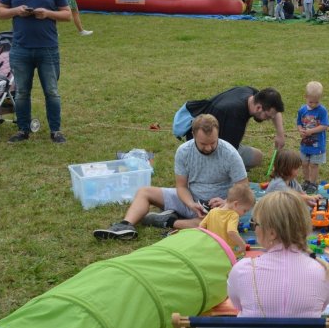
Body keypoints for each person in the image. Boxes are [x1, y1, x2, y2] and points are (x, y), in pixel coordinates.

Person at [226, 190, 329, 328]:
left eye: (255, 224)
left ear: (272, 232)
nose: (253, 228)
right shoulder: (322, 271)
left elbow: (236, 304)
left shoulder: (242, 269)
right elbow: (321, 307)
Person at [93, 114, 248, 240]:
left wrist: (226, 202)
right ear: (193, 135)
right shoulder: (184, 151)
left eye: (213, 143)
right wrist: (190, 203)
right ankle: (125, 226)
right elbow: (181, 186)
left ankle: (168, 221)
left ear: (218, 134)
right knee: (144, 192)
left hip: (218, 207)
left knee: (211, 225)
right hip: (191, 199)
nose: (208, 148)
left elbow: (243, 187)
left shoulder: (229, 153)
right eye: (203, 144)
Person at [0, 0, 72, 144]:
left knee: (52, 92)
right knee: (21, 92)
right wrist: (16, 11)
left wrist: (47, 13)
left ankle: (56, 131)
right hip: (21, 49)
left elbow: (67, 15)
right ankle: (23, 130)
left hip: (48, 49)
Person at [179, 86, 285, 171]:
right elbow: (227, 154)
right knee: (257, 157)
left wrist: (280, 135)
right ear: (258, 108)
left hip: (215, 135)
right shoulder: (233, 117)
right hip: (203, 147)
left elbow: (275, 112)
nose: (269, 119)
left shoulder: (251, 94)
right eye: (267, 116)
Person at [199, 182, 254, 256]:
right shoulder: (233, 215)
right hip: (229, 252)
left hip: (213, 249)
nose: (244, 214)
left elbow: (201, 227)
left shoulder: (213, 211)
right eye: (244, 210)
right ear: (235, 204)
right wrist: (242, 244)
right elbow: (231, 232)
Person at [297, 81, 329, 193]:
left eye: (316, 102)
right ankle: (306, 181)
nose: (314, 104)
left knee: (313, 164)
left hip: (317, 145)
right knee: (304, 163)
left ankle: (313, 183)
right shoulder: (302, 110)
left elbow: (325, 125)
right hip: (305, 144)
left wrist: (311, 131)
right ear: (305, 97)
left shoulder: (322, 110)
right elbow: (299, 123)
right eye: (311, 102)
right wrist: (301, 130)